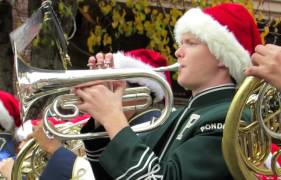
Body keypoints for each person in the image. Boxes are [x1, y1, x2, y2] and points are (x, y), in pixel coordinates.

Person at [74, 3, 261, 179]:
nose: (178, 52)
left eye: (191, 43)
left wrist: (112, 117)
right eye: (181, 43)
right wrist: (101, 121)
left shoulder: (232, 118)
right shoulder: (172, 117)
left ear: (222, 56)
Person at [0, 49, 173, 180]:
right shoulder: (112, 128)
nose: (96, 90)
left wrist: (56, 151)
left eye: (110, 85)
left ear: (140, 91)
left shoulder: (150, 129)